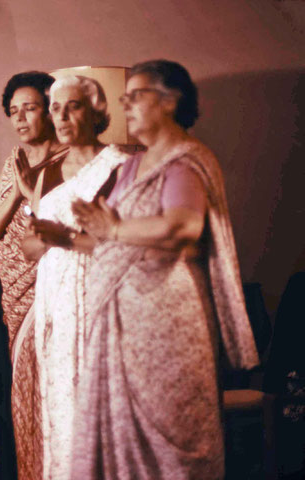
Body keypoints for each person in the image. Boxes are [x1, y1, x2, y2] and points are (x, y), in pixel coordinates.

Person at [70, 59, 258, 479]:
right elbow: (112, 237)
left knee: (171, 439)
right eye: (124, 98)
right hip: (119, 322)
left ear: (170, 101)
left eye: (136, 95)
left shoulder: (186, 160)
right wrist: (66, 238)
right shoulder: (131, 164)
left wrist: (113, 229)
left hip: (165, 323)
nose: (127, 106)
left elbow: (183, 226)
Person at [20, 75, 127, 479]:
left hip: (101, 300)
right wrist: (43, 236)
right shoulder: (46, 174)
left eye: (73, 106)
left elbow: (130, 249)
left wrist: (63, 236)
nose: (61, 116)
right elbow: (30, 249)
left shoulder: (121, 167)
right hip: (56, 308)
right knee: (62, 407)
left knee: (100, 407)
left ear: (96, 112)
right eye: (55, 108)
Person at [0, 71, 68, 479]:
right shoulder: (13, 163)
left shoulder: (72, 161)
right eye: (13, 111)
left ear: (50, 109)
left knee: (58, 393)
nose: (20, 119)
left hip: (56, 287)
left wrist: (35, 193)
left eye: (29, 108)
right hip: (14, 291)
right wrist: (17, 189)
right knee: (25, 394)